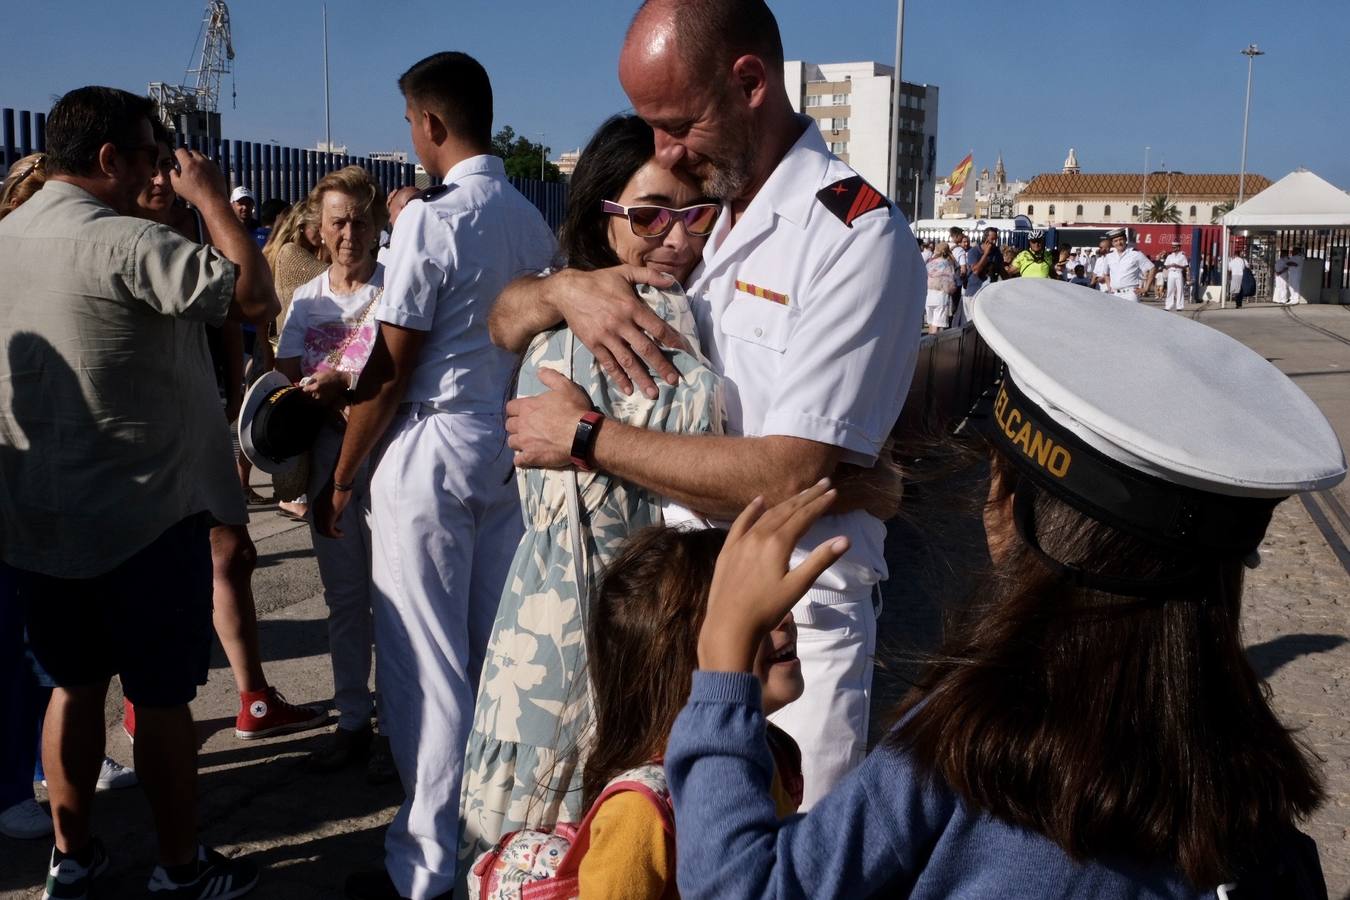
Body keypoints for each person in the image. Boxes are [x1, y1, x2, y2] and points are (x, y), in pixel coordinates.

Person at [666, 277, 1344, 899]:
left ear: (1006, 505)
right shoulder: (1242, 781)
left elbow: (744, 887)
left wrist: (726, 662)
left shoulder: (969, 746)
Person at [494, 0, 923, 809]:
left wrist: (586, 436)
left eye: (676, 124)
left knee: (781, 864)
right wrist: (568, 289)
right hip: (678, 613)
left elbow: (788, 468)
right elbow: (505, 315)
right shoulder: (708, 214)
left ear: (750, 83)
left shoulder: (850, 234)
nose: (663, 151)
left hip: (789, 626)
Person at [0, 85, 277, 900]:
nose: (159, 169)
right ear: (112, 158)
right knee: (161, 700)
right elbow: (253, 295)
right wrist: (210, 198)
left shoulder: (7, 236)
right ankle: (180, 867)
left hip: (39, 520)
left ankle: (72, 856)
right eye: (152, 155)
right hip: (143, 517)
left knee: (72, 687)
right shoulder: (123, 243)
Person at [312, 52, 558, 900]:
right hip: (504, 441)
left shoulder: (431, 219)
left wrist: (343, 478)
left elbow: (390, 369)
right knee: (495, 660)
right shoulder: (531, 219)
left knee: (425, 667)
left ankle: (423, 869)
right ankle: (494, 845)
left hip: (430, 447)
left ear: (431, 126)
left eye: (411, 125)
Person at [458, 113, 724, 870]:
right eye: (649, 216)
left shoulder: (560, 323)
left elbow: (507, 318)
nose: (675, 238)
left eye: (692, 214)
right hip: (627, 641)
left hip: (530, 634)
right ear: (603, 220)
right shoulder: (658, 325)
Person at [574, 526, 804, 895]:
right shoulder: (639, 813)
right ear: (685, 657)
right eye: (751, 613)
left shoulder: (768, 751)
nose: (786, 617)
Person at [273, 166, 389, 775]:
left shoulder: (395, 290)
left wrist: (348, 384)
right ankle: (351, 719)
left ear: (377, 227)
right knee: (344, 598)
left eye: (361, 220)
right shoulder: (307, 298)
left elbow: (404, 375)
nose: (350, 232)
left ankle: (397, 720)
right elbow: (287, 374)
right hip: (325, 460)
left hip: (391, 457)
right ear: (319, 231)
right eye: (339, 221)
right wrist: (309, 390)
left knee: (396, 595)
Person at [1101, 227, 1155, 301]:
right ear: (1112, 243)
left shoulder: (1135, 254)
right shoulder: (1109, 256)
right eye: (1115, 241)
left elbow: (1152, 268)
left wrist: (1146, 288)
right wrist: (1109, 287)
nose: (1119, 243)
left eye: (1121, 239)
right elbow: (1106, 274)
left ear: (1125, 239)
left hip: (1130, 294)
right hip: (1115, 294)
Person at [924, 241, 956, 333]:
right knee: (937, 325)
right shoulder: (947, 264)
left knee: (930, 322)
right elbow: (950, 281)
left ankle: (929, 345)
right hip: (940, 295)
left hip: (929, 295)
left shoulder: (930, 263)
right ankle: (934, 346)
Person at [1162, 239, 1190, 311]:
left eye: (1174, 247)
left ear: (1178, 247)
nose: (1173, 248)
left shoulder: (1182, 256)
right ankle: (1168, 306)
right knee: (1170, 289)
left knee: (1180, 289)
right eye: (1172, 247)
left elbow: (1185, 266)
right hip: (1171, 273)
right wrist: (1171, 265)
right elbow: (1165, 266)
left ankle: (1179, 306)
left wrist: (1178, 266)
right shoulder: (1170, 256)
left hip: (1178, 273)